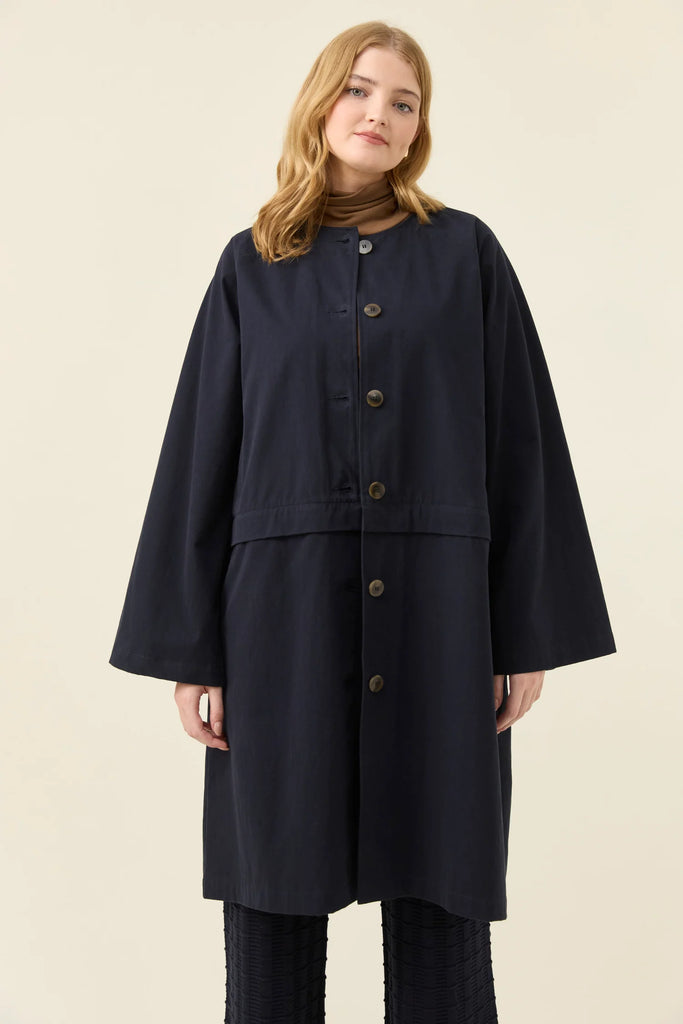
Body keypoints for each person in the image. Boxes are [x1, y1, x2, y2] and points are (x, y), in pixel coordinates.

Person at [109, 20, 617, 1024]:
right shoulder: (251, 265)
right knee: (271, 905)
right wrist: (192, 650)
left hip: (441, 616)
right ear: (319, 102)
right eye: (357, 89)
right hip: (279, 621)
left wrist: (522, 636)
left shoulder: (466, 255)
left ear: (419, 128)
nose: (377, 113)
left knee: (440, 908)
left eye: (402, 101)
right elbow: (200, 456)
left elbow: (519, 445)